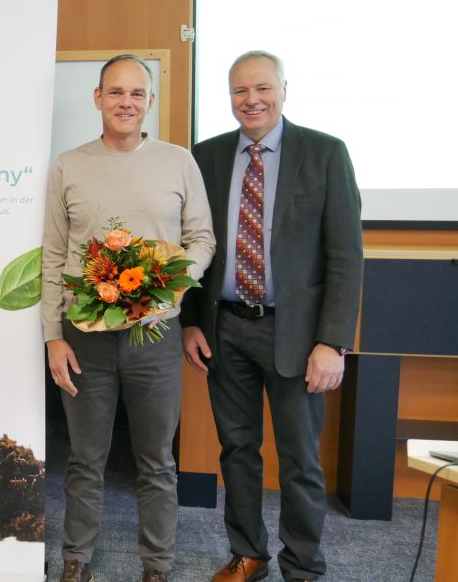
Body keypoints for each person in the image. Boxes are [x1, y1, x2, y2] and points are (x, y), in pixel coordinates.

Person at [180, 50, 363, 582]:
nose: (251, 99)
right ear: (229, 96)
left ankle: (303, 565)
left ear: (284, 89)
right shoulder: (207, 156)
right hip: (225, 329)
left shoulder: (325, 153)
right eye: (240, 91)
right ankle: (248, 554)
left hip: (298, 335)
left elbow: (346, 255)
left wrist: (333, 341)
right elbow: (195, 244)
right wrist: (192, 320)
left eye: (262, 88)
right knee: (237, 449)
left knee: (300, 459)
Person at [42, 54, 216, 582]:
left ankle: (157, 566)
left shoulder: (178, 161)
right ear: (98, 99)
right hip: (84, 340)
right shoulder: (69, 165)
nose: (126, 103)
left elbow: (201, 238)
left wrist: (171, 289)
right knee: (85, 459)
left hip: (155, 338)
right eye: (115, 93)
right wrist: (53, 335)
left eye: (136, 94)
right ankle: (76, 560)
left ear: (150, 103)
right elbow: (52, 256)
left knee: (157, 462)